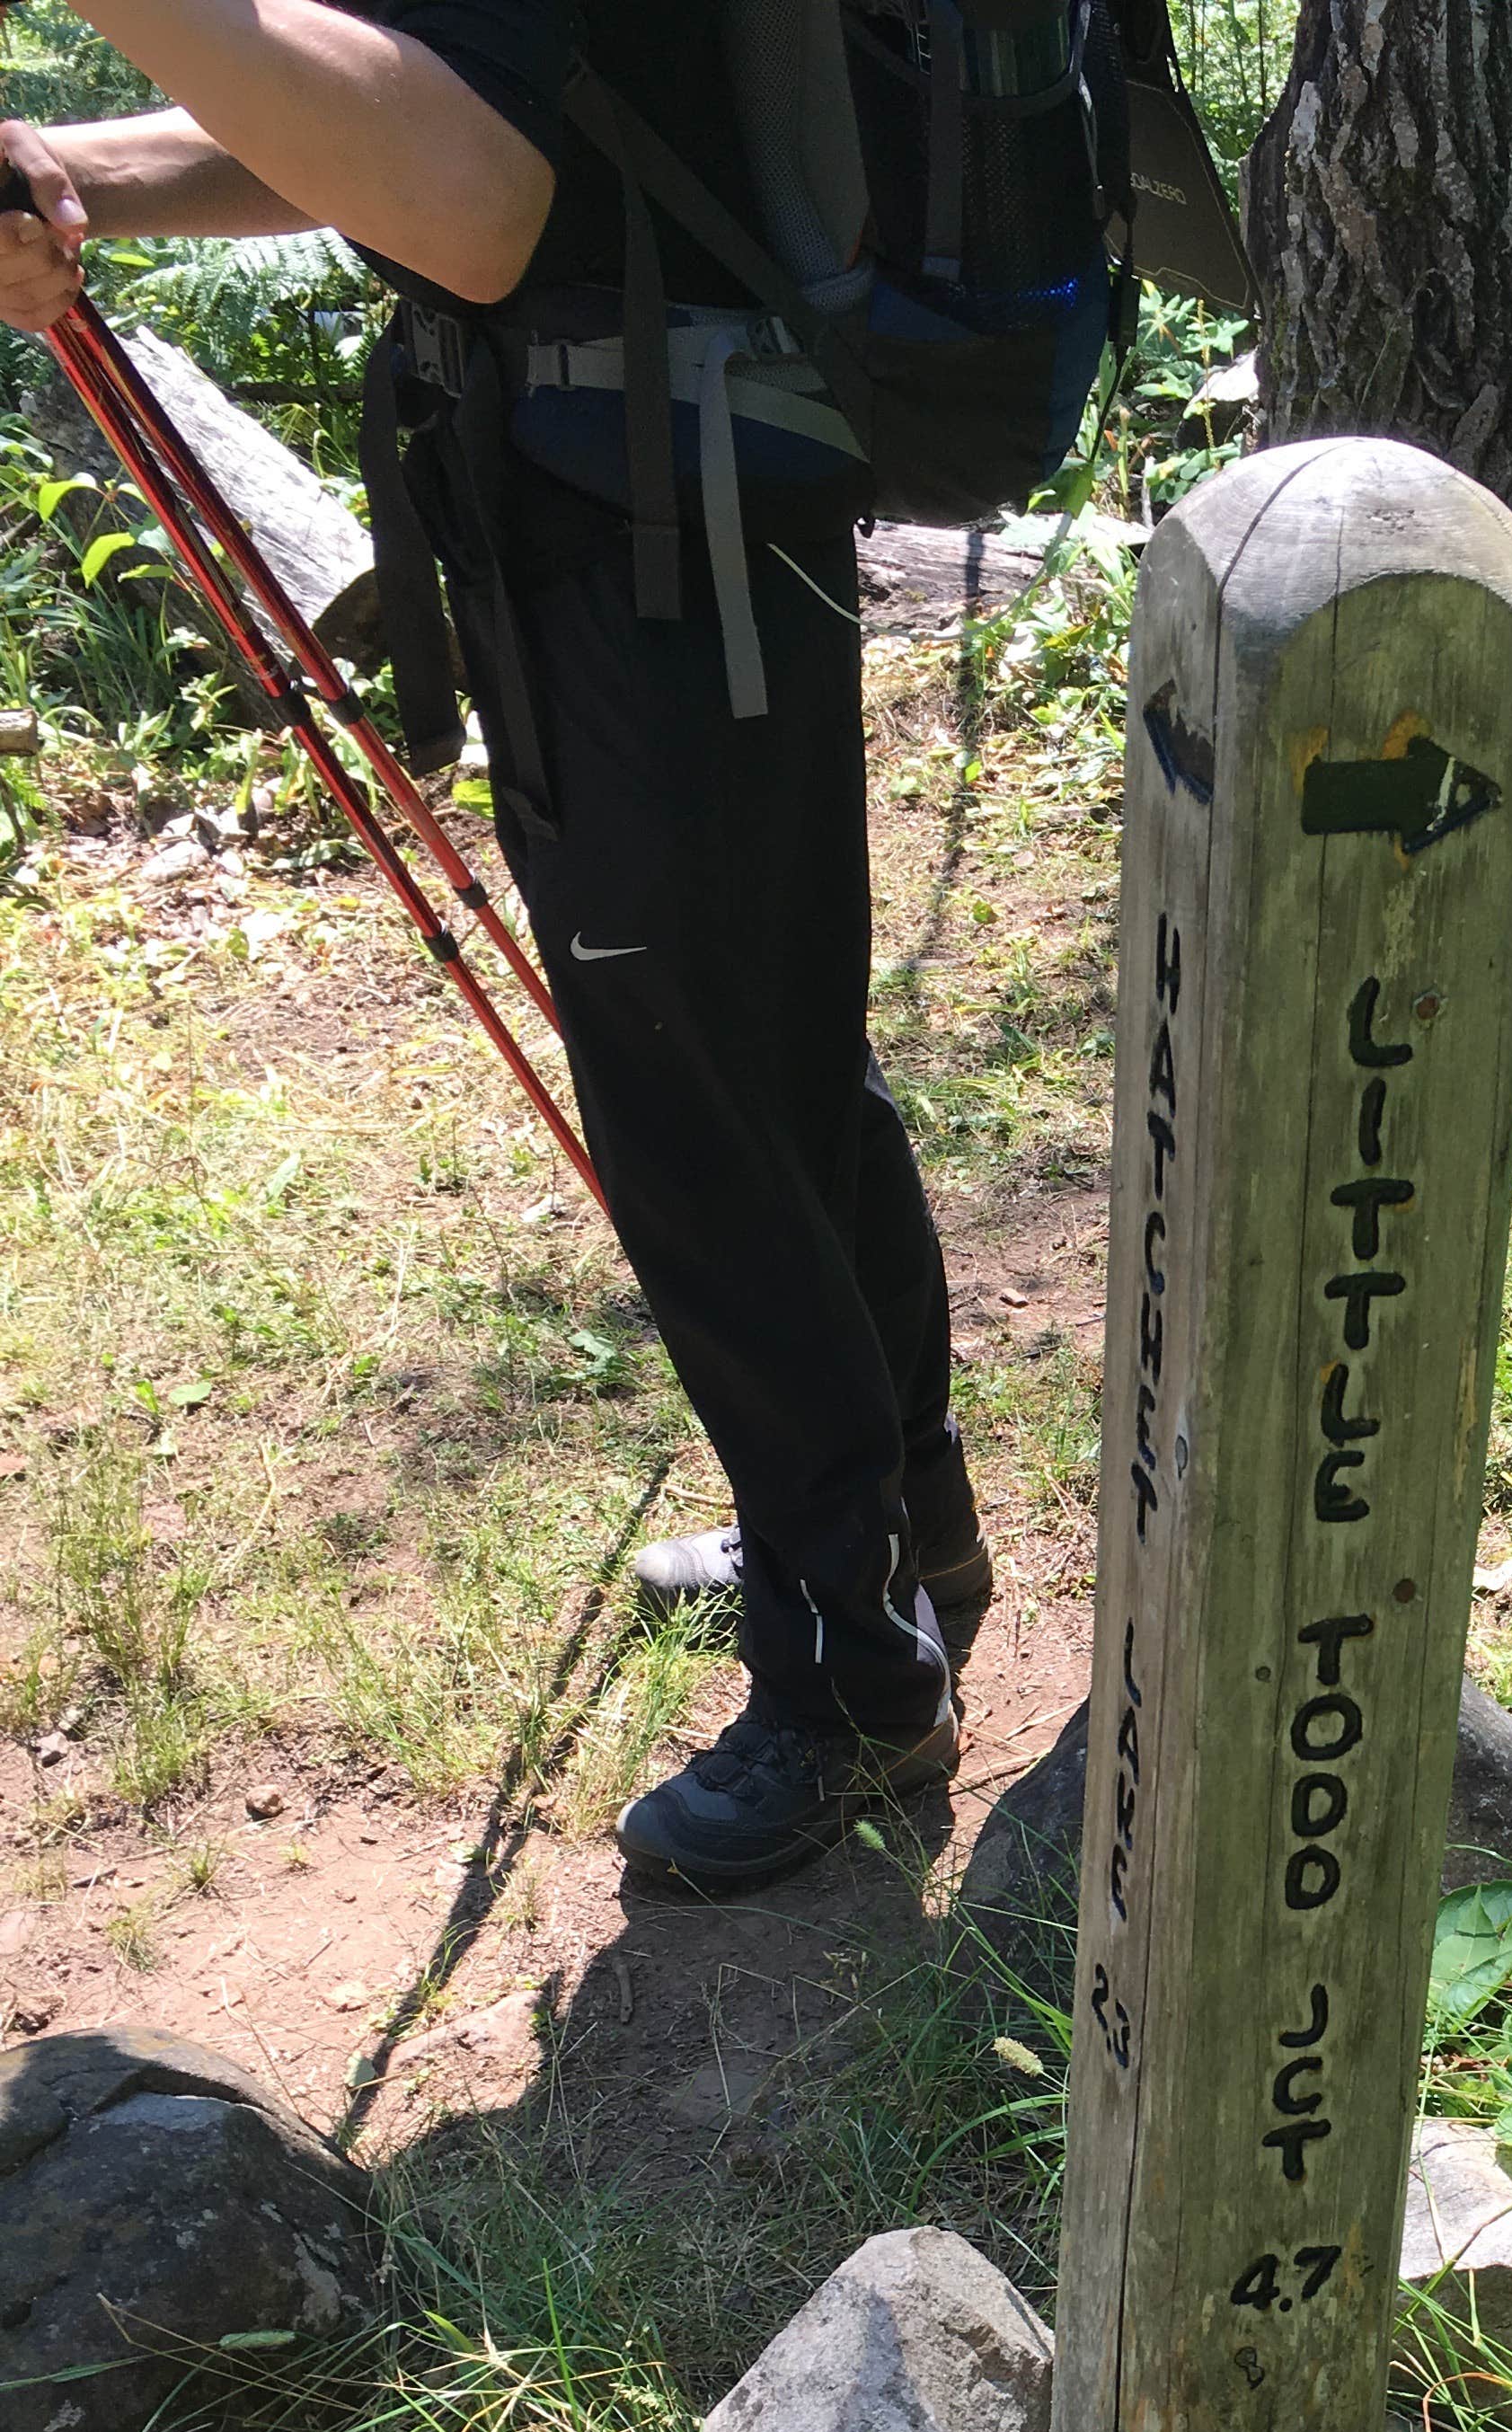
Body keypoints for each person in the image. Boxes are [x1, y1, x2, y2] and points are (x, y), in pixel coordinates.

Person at [0, 0, 990, 1890]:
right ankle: (894, 1539)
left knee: (710, 1118)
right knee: (766, 1071)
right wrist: (91, 177)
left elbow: (471, 197)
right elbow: (432, 125)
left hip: (656, 544)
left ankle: (856, 1672)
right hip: (661, 507)